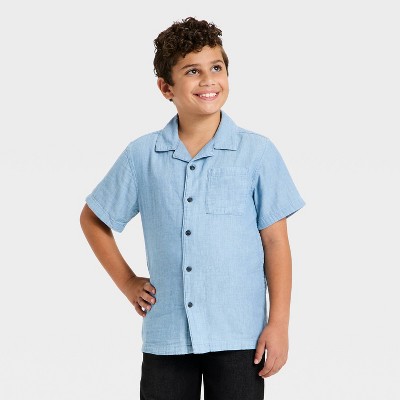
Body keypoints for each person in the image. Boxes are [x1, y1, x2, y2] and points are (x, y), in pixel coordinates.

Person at [80, 16, 306, 400]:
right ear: (165, 87)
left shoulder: (257, 153)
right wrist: (128, 282)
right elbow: (93, 219)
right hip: (167, 335)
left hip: (239, 335)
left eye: (216, 68)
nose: (208, 80)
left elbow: (275, 243)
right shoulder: (142, 155)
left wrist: (279, 324)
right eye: (192, 71)